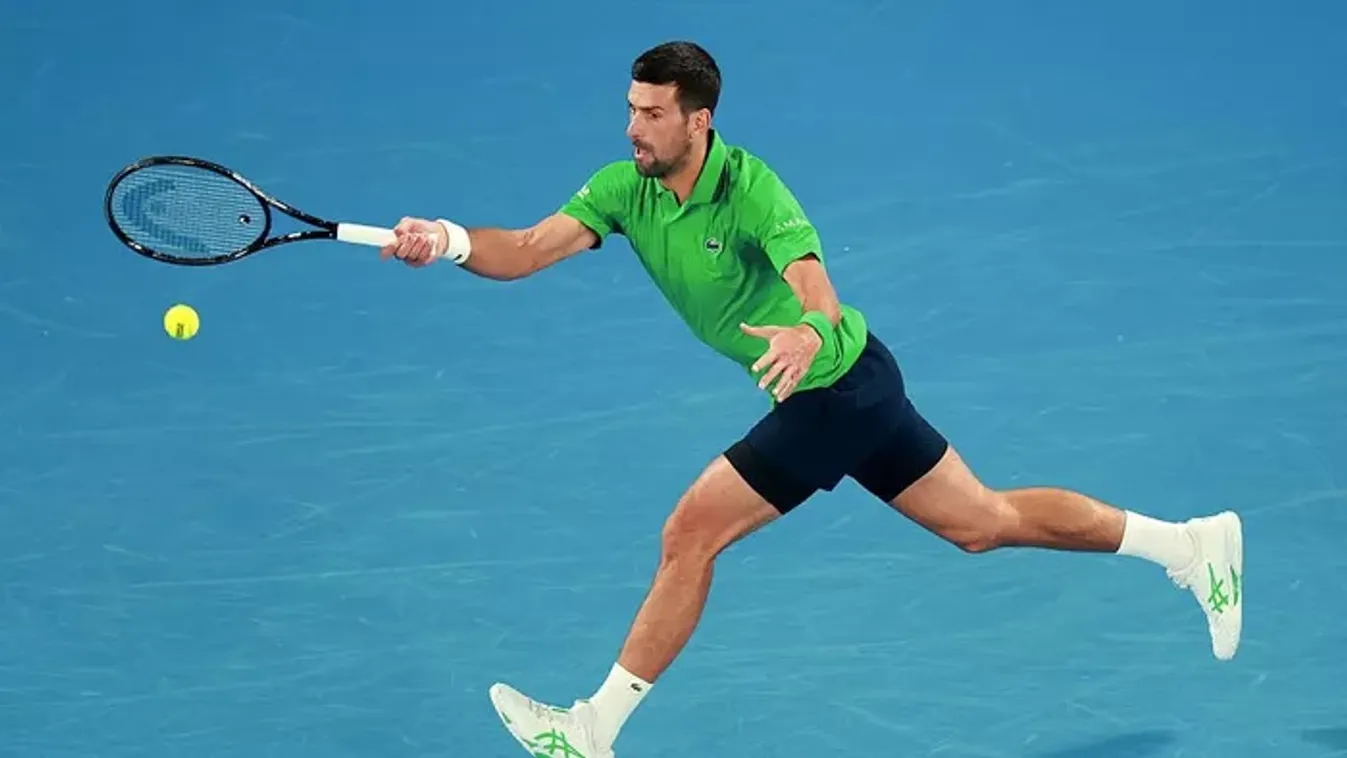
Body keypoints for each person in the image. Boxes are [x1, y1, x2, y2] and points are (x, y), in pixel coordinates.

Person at [378, 40, 1244, 758]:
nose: (632, 127)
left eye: (651, 114)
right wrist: (446, 240)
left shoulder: (753, 189)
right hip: (858, 387)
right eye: (631, 109)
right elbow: (527, 248)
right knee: (982, 522)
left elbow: (816, 291)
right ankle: (1188, 545)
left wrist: (803, 333)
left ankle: (591, 730)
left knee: (691, 533)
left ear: (697, 120)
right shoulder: (622, 188)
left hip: (833, 389)